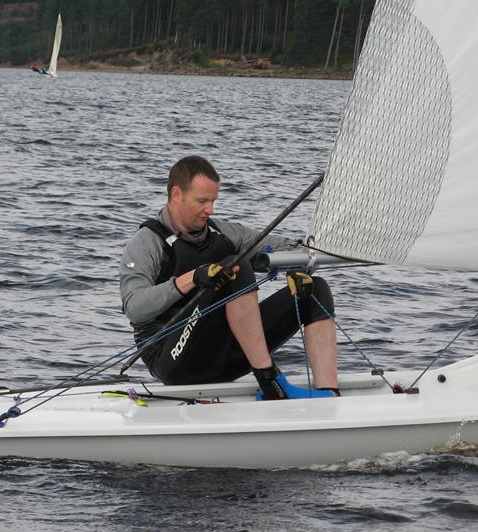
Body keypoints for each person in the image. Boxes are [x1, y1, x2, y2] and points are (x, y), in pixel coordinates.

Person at [119, 155, 340, 399]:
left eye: (213, 201)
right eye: (202, 201)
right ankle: (270, 383)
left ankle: (329, 396)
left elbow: (294, 251)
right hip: (174, 362)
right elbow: (134, 308)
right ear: (176, 195)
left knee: (315, 289)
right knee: (237, 267)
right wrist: (193, 278)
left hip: (224, 357)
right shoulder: (146, 243)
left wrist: (298, 268)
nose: (210, 210)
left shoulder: (224, 233)